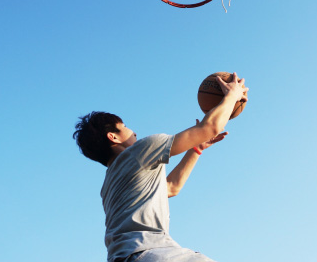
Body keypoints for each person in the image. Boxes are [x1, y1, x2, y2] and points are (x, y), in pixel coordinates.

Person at [72, 73, 248, 262]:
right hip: (147, 251)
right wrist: (232, 95)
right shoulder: (140, 151)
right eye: (125, 126)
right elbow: (211, 127)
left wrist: (196, 148)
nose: (134, 132)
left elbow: (172, 186)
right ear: (113, 136)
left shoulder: (110, 184)